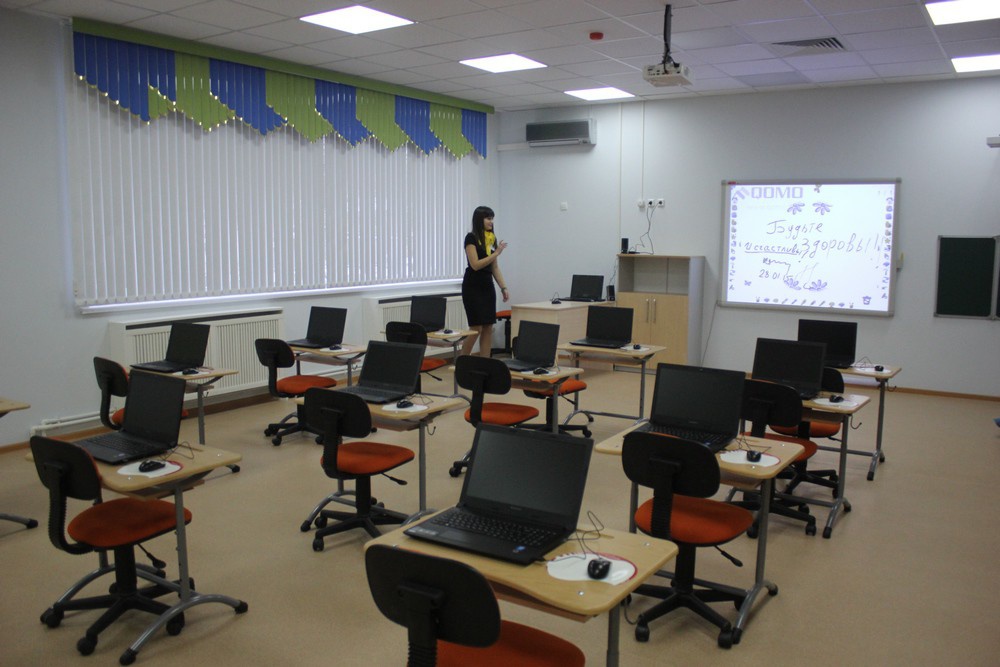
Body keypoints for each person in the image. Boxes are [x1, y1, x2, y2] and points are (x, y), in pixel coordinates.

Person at [461, 206, 508, 356]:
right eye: (488, 218)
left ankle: (484, 364)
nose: (491, 222)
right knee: (476, 328)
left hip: (487, 286)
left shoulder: (491, 239)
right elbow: (475, 265)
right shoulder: (471, 238)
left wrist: (503, 287)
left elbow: (494, 267)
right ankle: (462, 361)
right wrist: (497, 253)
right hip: (473, 286)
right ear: (479, 220)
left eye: (492, 219)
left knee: (488, 327)